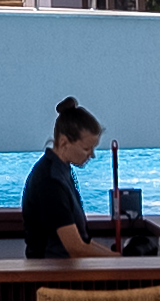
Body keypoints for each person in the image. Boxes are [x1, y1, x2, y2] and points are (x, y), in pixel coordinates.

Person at [12, 97, 100, 261]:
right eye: (86, 148)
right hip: (51, 270)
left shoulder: (62, 172)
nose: (92, 155)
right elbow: (75, 248)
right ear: (64, 142)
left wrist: (118, 257)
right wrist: (118, 260)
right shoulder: (50, 181)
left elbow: (84, 242)